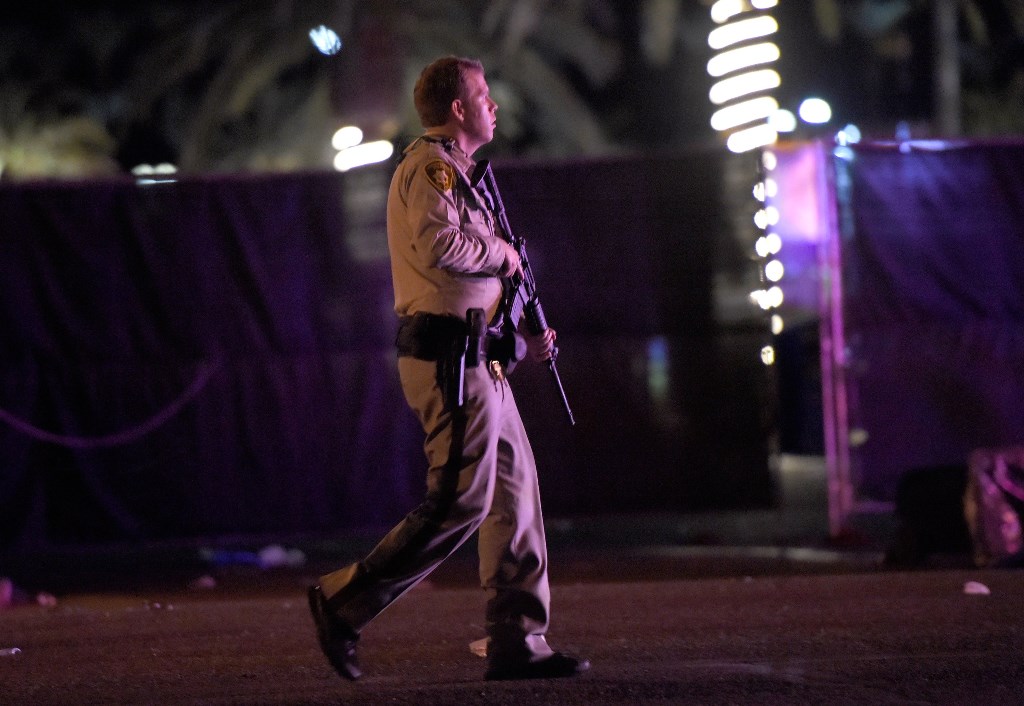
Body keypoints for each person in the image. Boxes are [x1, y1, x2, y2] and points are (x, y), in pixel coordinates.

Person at [307, 56, 589, 682]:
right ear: (457, 110)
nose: (493, 105)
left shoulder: (463, 175)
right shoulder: (429, 168)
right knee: (460, 501)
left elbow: (472, 279)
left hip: (480, 357)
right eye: (483, 95)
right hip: (449, 359)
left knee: (514, 494)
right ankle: (341, 602)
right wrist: (506, 254)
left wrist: (522, 326)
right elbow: (443, 247)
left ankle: (518, 637)